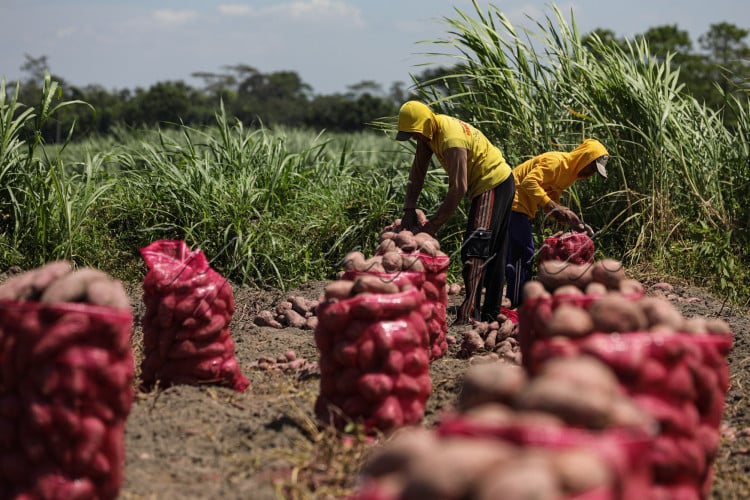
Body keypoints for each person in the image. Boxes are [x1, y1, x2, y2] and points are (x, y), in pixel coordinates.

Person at [395, 100, 515, 324]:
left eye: (417, 133)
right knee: (489, 248)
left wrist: (433, 226)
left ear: (427, 124)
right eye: (412, 135)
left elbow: (459, 188)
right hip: (496, 183)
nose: (416, 139)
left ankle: (469, 314)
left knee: (476, 248)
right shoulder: (428, 134)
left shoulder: (451, 139)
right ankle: (488, 313)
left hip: (493, 183)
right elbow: (417, 172)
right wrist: (409, 208)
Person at [505, 138, 610, 307]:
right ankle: (518, 301)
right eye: (591, 168)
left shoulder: (568, 176)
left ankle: (513, 297)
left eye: (594, 172)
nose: (590, 174)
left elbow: (550, 198)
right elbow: (528, 183)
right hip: (513, 202)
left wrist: (570, 219)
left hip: (520, 208)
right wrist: (553, 205)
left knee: (516, 252)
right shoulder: (557, 162)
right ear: (583, 158)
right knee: (523, 251)